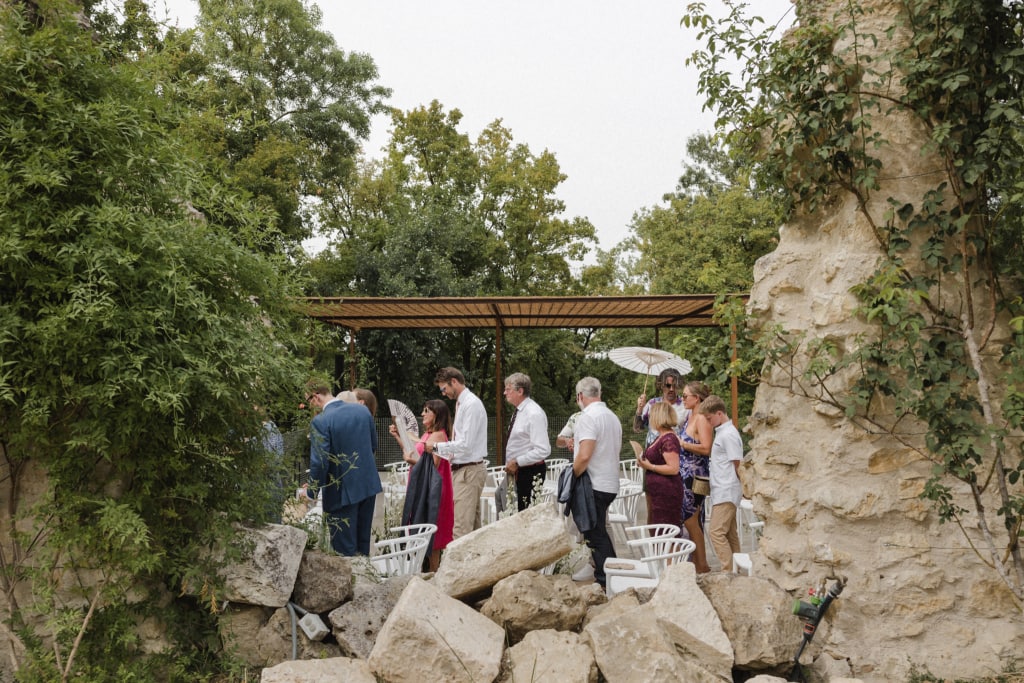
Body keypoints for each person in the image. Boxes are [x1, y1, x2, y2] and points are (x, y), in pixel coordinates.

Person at [303, 380, 383, 556]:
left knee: (344, 551)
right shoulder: (362, 411)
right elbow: (372, 446)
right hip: (368, 486)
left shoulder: (320, 421)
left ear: (316, 397)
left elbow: (320, 462)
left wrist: (312, 492)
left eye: (308, 401)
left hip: (341, 492)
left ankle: (352, 582)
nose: (310, 406)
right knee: (363, 546)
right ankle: (365, 580)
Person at [389, 399, 454, 571]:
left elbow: (432, 465)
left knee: (433, 533)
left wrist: (411, 461)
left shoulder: (438, 436)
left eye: (427, 411)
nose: (423, 414)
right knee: (421, 527)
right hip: (421, 485)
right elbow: (414, 452)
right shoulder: (427, 434)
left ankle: (434, 574)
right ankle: (427, 572)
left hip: (432, 489)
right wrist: (398, 437)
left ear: (437, 415)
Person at [424, 367, 488, 540]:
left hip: (468, 470)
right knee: (473, 529)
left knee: (461, 529)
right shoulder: (463, 403)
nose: (444, 394)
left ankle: (457, 567)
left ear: (454, 382)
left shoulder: (471, 404)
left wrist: (436, 447)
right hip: (464, 469)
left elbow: (465, 445)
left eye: (444, 389)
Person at [572, 376, 621, 590]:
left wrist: (573, 475)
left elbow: (584, 455)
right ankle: (608, 576)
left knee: (595, 534)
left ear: (581, 396)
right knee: (597, 531)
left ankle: (607, 579)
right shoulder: (612, 417)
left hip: (594, 483)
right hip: (610, 481)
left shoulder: (588, 417)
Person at [699, 394, 744, 572]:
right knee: (730, 534)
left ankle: (728, 571)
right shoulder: (724, 432)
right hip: (722, 489)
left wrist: (743, 486)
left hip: (727, 490)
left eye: (709, 418)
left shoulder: (728, 434)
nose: (708, 422)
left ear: (719, 413)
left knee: (716, 532)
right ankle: (738, 571)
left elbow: (737, 463)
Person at [502, 372, 551, 510]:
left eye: (508, 389)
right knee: (504, 502)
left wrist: (517, 461)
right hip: (518, 471)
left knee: (525, 517)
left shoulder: (533, 413)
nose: (504, 393)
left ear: (520, 391)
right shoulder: (519, 411)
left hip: (530, 472)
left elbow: (543, 450)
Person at [679, 381, 713, 573]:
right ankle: (696, 562)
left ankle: (702, 565)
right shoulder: (688, 417)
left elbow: (706, 448)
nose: (682, 399)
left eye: (685, 396)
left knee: (692, 519)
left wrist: (683, 444)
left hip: (697, 477)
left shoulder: (701, 418)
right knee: (690, 519)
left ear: (697, 398)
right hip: (685, 475)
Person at [635, 401, 684, 529]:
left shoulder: (668, 439)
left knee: (666, 530)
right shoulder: (661, 436)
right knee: (658, 528)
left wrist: (650, 467)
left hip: (666, 492)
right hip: (658, 492)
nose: (650, 419)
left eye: (651, 415)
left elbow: (673, 468)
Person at [632, 367, 686, 447]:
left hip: (675, 454)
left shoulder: (685, 406)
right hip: (652, 455)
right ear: (661, 385)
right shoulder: (652, 404)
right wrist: (639, 409)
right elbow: (637, 428)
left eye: (674, 385)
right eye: (668, 385)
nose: (671, 389)